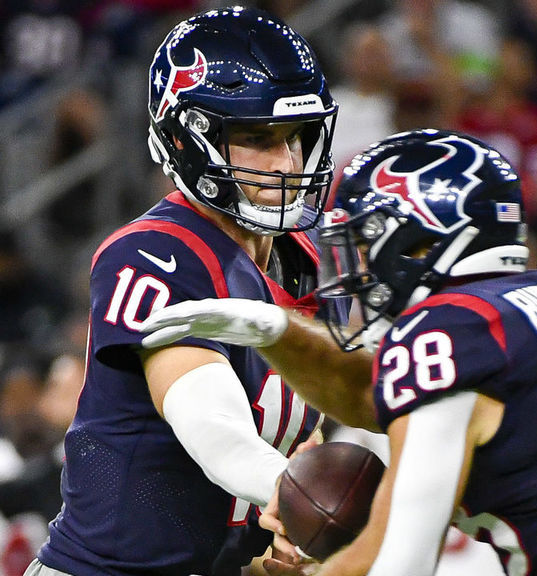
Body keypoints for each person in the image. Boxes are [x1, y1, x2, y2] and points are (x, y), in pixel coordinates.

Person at [140, 129, 537, 576]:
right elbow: (369, 394)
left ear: (419, 245)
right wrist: (276, 331)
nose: (350, 268)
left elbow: (399, 560)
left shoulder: (445, 333)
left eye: (364, 243)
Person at [25, 6, 341, 576]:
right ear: (184, 138)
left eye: (296, 137)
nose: (288, 161)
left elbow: (301, 418)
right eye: (257, 138)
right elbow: (209, 422)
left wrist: (288, 533)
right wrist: (293, 491)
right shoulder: (154, 256)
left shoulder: (312, 254)